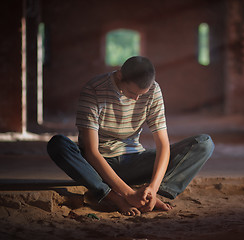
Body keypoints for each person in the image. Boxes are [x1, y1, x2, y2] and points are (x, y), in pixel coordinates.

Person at [47, 56, 214, 216]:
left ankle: (150, 197)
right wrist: (127, 194)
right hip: (97, 166)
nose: (136, 99)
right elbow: (91, 152)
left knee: (203, 143)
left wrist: (153, 189)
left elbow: (163, 145)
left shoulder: (154, 90)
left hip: (134, 161)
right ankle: (112, 197)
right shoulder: (94, 89)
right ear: (120, 75)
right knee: (58, 144)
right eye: (132, 92)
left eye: (141, 94)